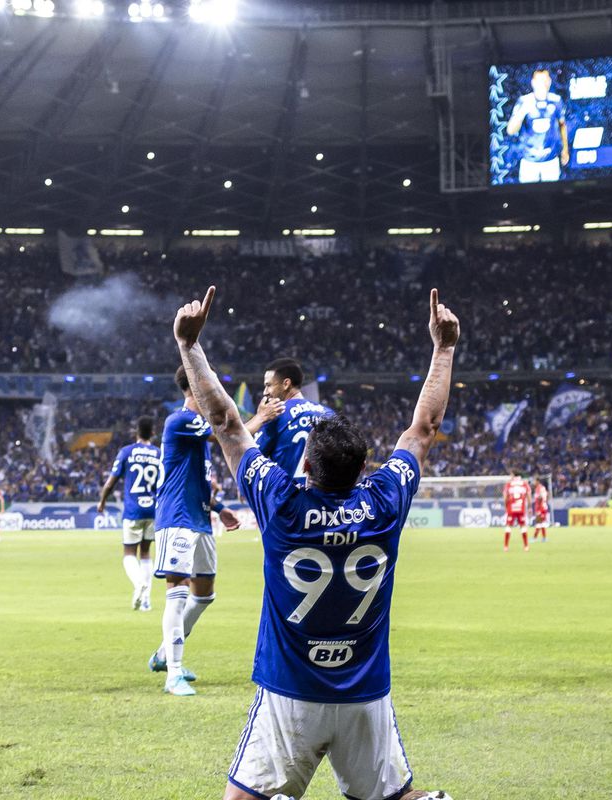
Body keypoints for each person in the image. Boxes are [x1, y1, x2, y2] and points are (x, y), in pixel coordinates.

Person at [169, 285, 456, 800]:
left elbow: (226, 422)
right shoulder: (384, 502)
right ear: (363, 468)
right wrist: (444, 349)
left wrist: (190, 347)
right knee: (396, 797)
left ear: (307, 466)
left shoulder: (281, 502)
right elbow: (424, 428)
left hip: (290, 690)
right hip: (366, 693)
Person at [148, 365, 241, 696]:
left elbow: (192, 480)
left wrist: (219, 508)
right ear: (197, 386)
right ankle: (172, 673)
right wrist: (260, 419)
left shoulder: (196, 430)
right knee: (178, 591)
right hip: (177, 519)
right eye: (209, 381)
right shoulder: (180, 421)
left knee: (204, 593)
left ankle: (163, 654)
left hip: (200, 517)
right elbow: (228, 436)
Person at [97, 417, 162, 612]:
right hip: (153, 508)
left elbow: (111, 482)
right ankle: (147, 600)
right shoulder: (159, 454)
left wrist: (102, 501)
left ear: (136, 432)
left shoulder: (127, 452)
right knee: (145, 552)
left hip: (133, 510)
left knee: (128, 553)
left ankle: (139, 584)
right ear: (153, 433)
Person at [245, 357, 332, 482]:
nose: (265, 392)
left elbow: (254, 459)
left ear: (286, 384)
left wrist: (259, 417)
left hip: (288, 497)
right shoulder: (329, 415)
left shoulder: (274, 414)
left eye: (268, 385)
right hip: (323, 498)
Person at [504, 68, 569, 183]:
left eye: (545, 80)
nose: (542, 84)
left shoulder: (556, 101)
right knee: (527, 198)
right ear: (533, 83)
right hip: (529, 162)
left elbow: (562, 125)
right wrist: (522, 112)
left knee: (554, 196)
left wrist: (565, 149)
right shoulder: (524, 101)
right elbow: (511, 130)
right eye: (539, 81)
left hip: (550, 160)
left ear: (549, 82)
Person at [503, 471, 532, 551]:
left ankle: (506, 546)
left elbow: (505, 497)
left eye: (511, 475)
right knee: (523, 527)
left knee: (508, 526)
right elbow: (529, 496)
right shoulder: (525, 484)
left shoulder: (508, 484)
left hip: (511, 508)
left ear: (513, 475)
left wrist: (506, 506)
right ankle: (526, 546)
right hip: (521, 508)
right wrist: (530, 507)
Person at [531, 475, 551, 543]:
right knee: (541, 523)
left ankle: (535, 538)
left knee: (538, 522)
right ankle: (543, 538)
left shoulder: (539, 488)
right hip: (543, 507)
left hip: (540, 508)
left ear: (537, 481)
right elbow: (547, 495)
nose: (533, 482)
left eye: (534, 481)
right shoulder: (542, 488)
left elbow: (540, 498)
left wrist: (539, 508)